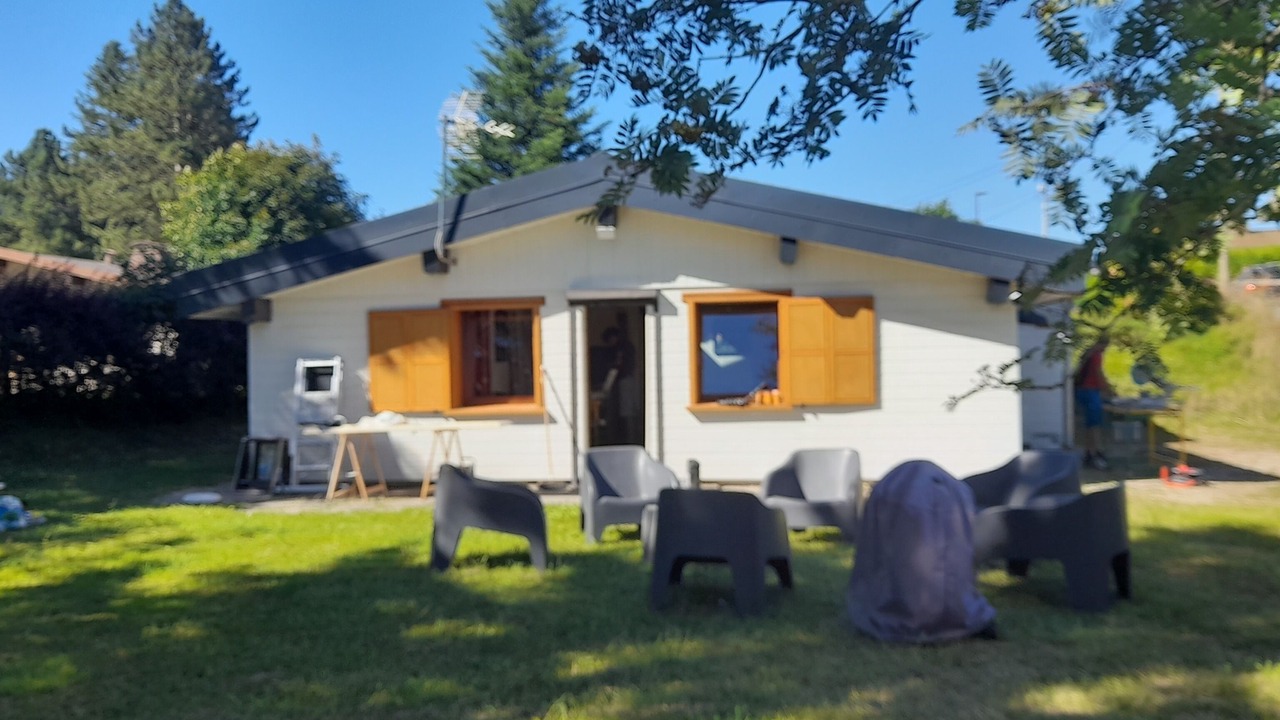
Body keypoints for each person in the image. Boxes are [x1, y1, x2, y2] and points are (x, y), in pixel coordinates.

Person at [1074, 335, 1111, 470]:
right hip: (1090, 391)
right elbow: (1098, 373)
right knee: (1094, 424)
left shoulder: (1087, 353)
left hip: (1082, 390)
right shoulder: (1096, 355)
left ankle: (1090, 451)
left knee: (1089, 425)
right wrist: (1108, 388)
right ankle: (1094, 453)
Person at [602, 322, 638, 443]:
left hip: (625, 380)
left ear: (614, 337)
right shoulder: (625, 346)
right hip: (624, 380)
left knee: (627, 411)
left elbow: (617, 367)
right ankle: (627, 438)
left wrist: (607, 385)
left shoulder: (622, 349)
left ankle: (630, 439)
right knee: (626, 410)